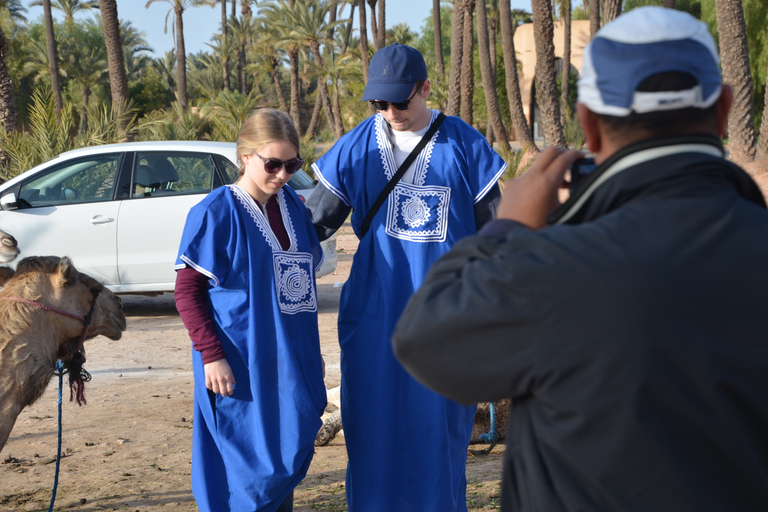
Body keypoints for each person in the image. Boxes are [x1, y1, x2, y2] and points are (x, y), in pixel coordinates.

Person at [393, 7, 768, 512]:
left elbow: (426, 341)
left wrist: (509, 228)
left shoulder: (552, 268)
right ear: (723, 109)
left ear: (588, 125)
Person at [306, 43, 507, 511]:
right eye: (380, 102)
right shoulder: (357, 147)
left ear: (425, 88)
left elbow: (500, 233)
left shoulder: (463, 144)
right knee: (371, 428)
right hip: (373, 318)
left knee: (438, 434)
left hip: (447, 323)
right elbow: (313, 223)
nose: (391, 111)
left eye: (402, 100)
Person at [174, 109, 326, 512]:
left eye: (291, 165)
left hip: (291, 362)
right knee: (246, 472)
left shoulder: (292, 205)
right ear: (245, 156)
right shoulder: (216, 212)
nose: (282, 175)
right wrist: (211, 355)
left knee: (287, 453)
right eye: (272, 164)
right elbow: (187, 292)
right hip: (239, 365)